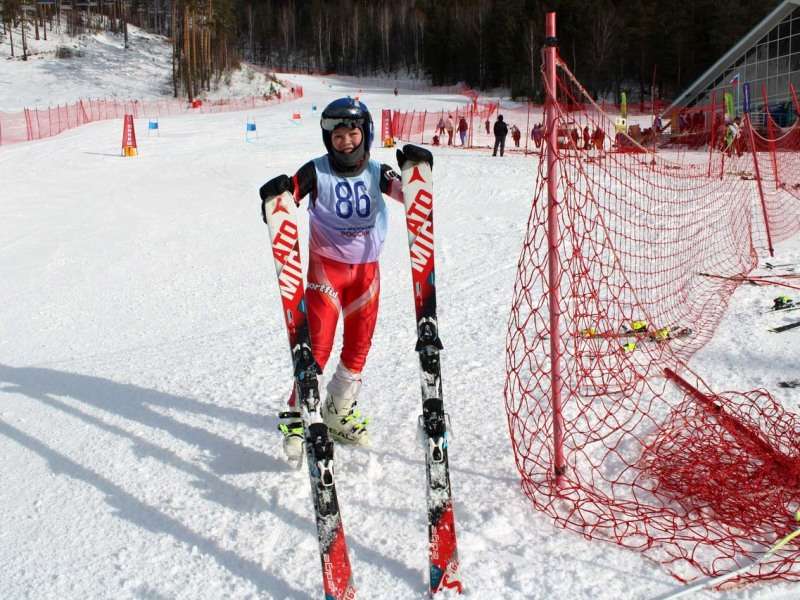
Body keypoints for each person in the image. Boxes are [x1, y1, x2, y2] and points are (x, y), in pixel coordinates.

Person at [259, 97, 433, 460]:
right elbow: (288, 197)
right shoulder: (317, 170)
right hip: (326, 270)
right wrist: (277, 197)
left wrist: (419, 172)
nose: (346, 141)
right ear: (328, 139)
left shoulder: (376, 171)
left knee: (359, 345)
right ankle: (297, 412)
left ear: (365, 132)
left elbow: (409, 195)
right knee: (318, 344)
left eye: (352, 132)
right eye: (337, 135)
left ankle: (338, 409)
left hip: (367, 272)